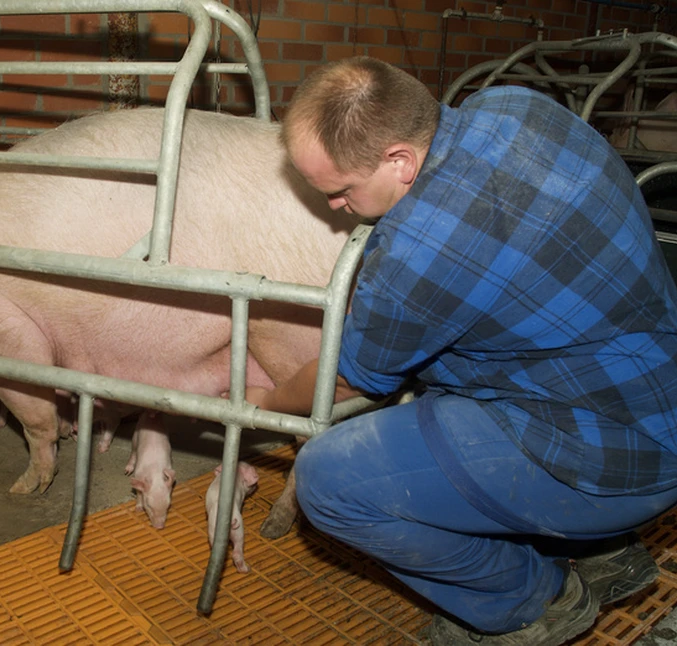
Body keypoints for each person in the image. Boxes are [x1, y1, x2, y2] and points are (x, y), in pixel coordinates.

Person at [249, 56, 677, 645]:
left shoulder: (417, 252)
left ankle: (533, 602)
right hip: (650, 397)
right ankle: (606, 554)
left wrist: (267, 402)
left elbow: (347, 379)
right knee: (456, 361)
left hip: (610, 464)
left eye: (342, 191)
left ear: (400, 160)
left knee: (331, 482)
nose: (334, 209)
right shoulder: (516, 105)